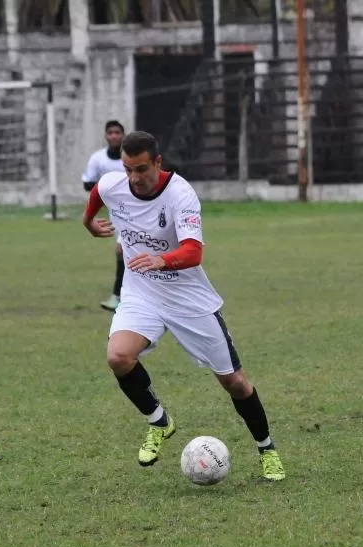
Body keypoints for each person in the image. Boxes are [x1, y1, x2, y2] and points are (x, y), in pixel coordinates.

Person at [81, 131, 286, 480]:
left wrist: (162, 260)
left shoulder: (180, 194)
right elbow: (97, 193)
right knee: (118, 357)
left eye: (141, 169)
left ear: (157, 162)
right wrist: (88, 223)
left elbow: (193, 251)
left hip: (189, 300)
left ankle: (267, 449)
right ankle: (159, 422)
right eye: (128, 169)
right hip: (141, 294)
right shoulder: (113, 184)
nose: (134, 177)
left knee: (235, 382)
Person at [82, 120, 127, 312]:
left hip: (133, 210)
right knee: (124, 253)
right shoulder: (98, 159)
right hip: (115, 212)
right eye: (111, 133)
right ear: (106, 136)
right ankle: (125, 296)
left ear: (123, 135)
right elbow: (87, 184)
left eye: (118, 132)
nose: (114, 136)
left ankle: (119, 297)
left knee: (122, 251)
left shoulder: (130, 157)